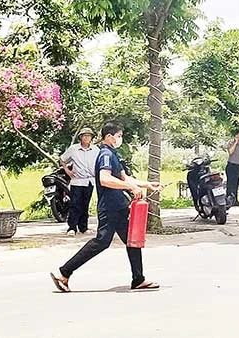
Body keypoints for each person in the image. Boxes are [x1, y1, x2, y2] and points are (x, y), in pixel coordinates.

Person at [50, 123, 162, 292]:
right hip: (110, 207)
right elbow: (105, 179)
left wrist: (147, 185)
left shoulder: (113, 154)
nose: (120, 139)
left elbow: (125, 178)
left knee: (133, 241)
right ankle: (64, 273)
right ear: (109, 137)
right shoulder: (105, 155)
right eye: (118, 136)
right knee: (101, 242)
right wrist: (130, 188)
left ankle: (138, 279)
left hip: (119, 206)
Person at [60, 127, 100, 236]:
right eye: (84, 136)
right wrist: (67, 170)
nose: (87, 138)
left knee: (85, 204)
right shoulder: (74, 149)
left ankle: (83, 227)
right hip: (77, 181)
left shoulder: (96, 149)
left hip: (89, 181)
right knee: (75, 204)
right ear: (80, 138)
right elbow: (62, 159)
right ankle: (72, 227)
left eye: (89, 136)